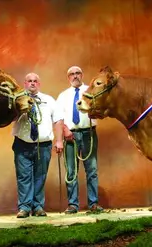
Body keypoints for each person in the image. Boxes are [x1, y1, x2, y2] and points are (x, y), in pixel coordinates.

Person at [12, 72, 64, 218]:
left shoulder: (49, 100)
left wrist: (59, 140)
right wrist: (19, 108)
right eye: (29, 81)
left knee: (40, 176)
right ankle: (24, 207)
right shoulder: (18, 101)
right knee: (23, 177)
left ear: (39, 84)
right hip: (22, 144)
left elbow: (58, 120)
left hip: (43, 145)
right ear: (25, 84)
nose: (32, 83)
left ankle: (38, 206)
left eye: (35, 81)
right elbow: (10, 119)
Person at [56, 66, 104, 214]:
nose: (75, 76)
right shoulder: (63, 96)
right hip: (71, 136)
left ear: (82, 75)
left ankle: (93, 203)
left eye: (77, 73)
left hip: (88, 133)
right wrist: (65, 131)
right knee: (71, 171)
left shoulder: (90, 92)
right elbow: (59, 118)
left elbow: (99, 109)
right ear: (68, 77)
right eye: (72, 74)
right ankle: (72, 204)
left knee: (92, 170)